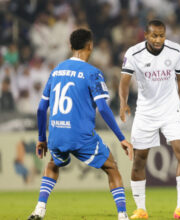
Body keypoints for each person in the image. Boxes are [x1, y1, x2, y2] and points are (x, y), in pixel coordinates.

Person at [28, 28, 133, 220]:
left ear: (70, 46)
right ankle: (123, 215)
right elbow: (102, 108)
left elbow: (41, 108)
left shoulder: (56, 70)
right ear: (90, 46)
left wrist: (42, 139)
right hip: (80, 135)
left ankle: (39, 209)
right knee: (111, 167)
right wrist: (121, 138)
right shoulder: (93, 73)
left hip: (57, 133)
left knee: (53, 164)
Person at [119, 20, 180, 220]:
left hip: (172, 111)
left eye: (161, 35)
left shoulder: (175, 50)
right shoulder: (134, 53)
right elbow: (124, 81)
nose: (158, 39)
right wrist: (123, 102)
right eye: (154, 35)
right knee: (139, 160)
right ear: (146, 35)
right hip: (146, 112)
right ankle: (141, 210)